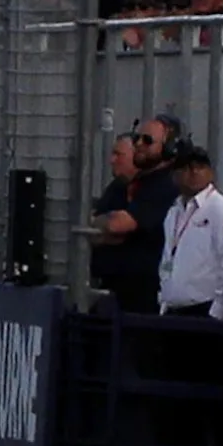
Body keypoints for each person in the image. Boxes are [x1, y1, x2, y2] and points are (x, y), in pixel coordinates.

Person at [90, 114, 180, 317]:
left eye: (147, 140)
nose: (139, 144)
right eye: (138, 138)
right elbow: (94, 226)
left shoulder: (166, 185)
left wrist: (106, 227)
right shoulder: (123, 185)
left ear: (168, 148)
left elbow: (117, 225)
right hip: (115, 295)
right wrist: (102, 226)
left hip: (143, 302)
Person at [159, 143, 223, 320]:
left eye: (200, 166)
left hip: (203, 310)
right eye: (187, 168)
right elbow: (167, 258)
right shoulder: (174, 212)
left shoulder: (221, 209)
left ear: (210, 171)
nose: (194, 172)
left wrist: (218, 313)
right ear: (175, 175)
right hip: (173, 309)